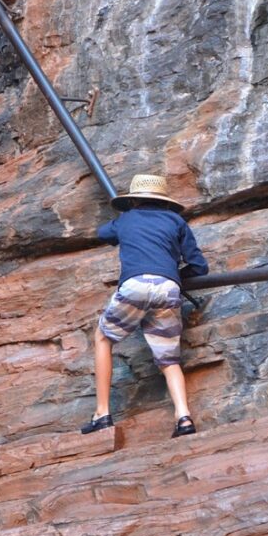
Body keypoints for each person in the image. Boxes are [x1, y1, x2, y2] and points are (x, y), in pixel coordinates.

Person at [81, 173, 209, 439]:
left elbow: (101, 233)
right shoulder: (177, 221)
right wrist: (171, 275)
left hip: (135, 285)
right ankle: (183, 417)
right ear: (164, 201)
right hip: (168, 289)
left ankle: (102, 413)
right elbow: (199, 266)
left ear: (134, 200)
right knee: (169, 358)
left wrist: (125, 218)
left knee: (103, 338)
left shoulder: (126, 218)